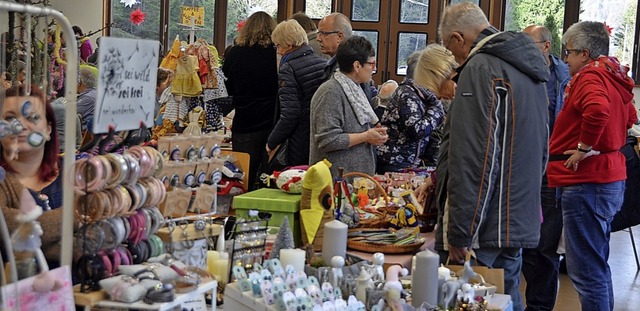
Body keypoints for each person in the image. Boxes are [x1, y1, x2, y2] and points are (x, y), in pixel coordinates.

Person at [433, 3, 549, 311]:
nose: (452, 56)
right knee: (509, 299)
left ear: (458, 38)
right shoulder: (530, 68)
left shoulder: (481, 67)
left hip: (485, 227)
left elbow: (474, 158)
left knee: (467, 301)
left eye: (448, 47)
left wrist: (460, 231)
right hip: (516, 218)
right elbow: (542, 148)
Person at [547, 21, 637, 311]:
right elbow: (629, 116)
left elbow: (597, 110)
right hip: (607, 178)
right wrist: (605, 142)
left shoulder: (590, 77)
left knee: (586, 272)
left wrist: (585, 148)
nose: (565, 59)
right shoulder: (614, 75)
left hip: (587, 181)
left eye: (569, 52)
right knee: (596, 266)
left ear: (585, 54)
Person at [521, 24, 571, 311]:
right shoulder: (519, 72)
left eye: (528, 43)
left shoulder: (566, 76)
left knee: (545, 246)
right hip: (524, 166)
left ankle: (540, 306)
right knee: (525, 239)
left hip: (554, 168)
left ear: (546, 46)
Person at [0, 84, 64, 270]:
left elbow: (95, 237)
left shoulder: (74, 174)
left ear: (48, 130)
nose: (20, 126)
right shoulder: (3, 180)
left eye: (33, 117)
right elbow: (8, 229)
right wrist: (75, 215)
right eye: (10, 118)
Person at [309, 36, 388, 176]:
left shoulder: (356, 88)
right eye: (372, 64)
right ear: (357, 66)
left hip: (355, 180)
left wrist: (373, 134)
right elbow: (328, 140)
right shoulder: (331, 92)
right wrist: (366, 136)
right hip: (335, 182)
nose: (374, 69)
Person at [376, 45, 455, 173]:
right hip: (395, 164)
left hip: (411, 163)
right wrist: (436, 109)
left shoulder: (425, 96)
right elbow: (415, 130)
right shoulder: (407, 94)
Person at [221, 11, 278, 190]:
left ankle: (241, 214)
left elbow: (226, 88)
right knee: (269, 178)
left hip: (244, 122)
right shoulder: (276, 53)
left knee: (242, 178)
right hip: (273, 122)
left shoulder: (234, 53)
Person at [266, 20, 326, 169]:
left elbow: (290, 113)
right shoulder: (322, 63)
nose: (278, 51)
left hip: (298, 139)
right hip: (317, 135)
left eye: (278, 45)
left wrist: (272, 141)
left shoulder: (288, 68)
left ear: (289, 44)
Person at [316, 13, 376, 102]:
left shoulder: (345, 69)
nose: (318, 38)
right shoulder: (349, 63)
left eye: (323, 33)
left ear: (339, 36)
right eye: (318, 33)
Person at [77, 66, 97, 132]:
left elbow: (70, 113)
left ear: (80, 83)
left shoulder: (88, 97)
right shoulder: (94, 92)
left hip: (84, 132)